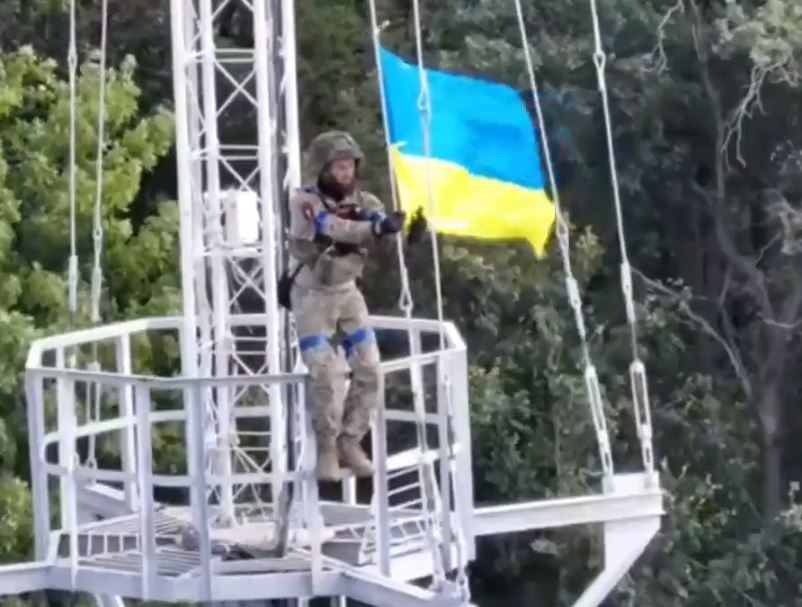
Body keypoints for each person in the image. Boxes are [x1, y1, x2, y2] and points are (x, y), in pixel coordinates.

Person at [286, 130, 405, 482]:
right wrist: (374, 228)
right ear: (323, 168)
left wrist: (399, 230)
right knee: (324, 375)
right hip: (312, 296)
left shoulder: (364, 200)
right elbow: (333, 227)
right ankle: (326, 448)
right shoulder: (303, 202)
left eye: (349, 165)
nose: (345, 173)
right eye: (338, 166)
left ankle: (350, 440)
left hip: (348, 293)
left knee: (370, 367)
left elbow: (378, 232)